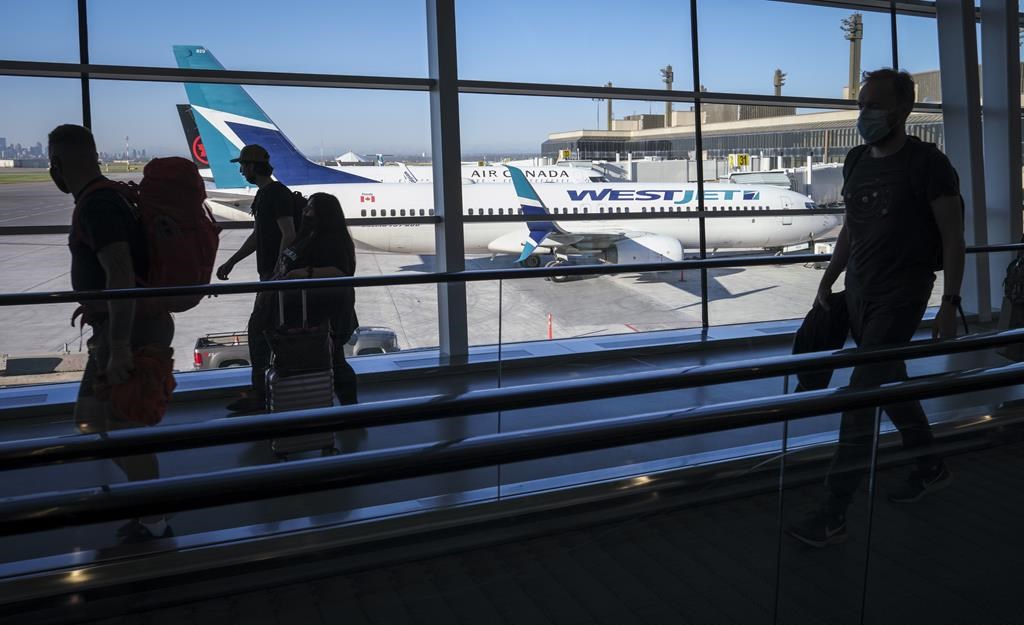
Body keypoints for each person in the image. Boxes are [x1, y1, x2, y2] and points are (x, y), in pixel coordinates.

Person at [788, 69, 965, 548]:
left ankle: (834, 509)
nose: (864, 114)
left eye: (874, 105)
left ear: (903, 109)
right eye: (861, 105)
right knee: (890, 379)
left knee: (861, 394)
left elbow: (953, 237)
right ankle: (929, 465)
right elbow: (853, 226)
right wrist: (829, 277)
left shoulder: (929, 165)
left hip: (902, 296)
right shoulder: (857, 160)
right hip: (859, 293)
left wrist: (949, 303)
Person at [51, 123, 174, 543]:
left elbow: (120, 271)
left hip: (127, 332)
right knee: (91, 419)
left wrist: (119, 345)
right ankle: (150, 501)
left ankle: (154, 521)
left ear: (57, 164)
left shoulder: (98, 205)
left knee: (122, 426)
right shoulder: (110, 196)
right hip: (119, 328)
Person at [216, 144, 297, 413]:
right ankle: (271, 391)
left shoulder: (277, 194)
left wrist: (277, 272)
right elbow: (258, 236)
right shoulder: (265, 195)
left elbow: (289, 234)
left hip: (275, 279)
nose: (241, 171)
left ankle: (261, 394)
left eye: (243, 166)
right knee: (267, 333)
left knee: (258, 332)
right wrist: (232, 261)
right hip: (270, 277)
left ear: (252, 166)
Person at [265, 192, 359, 404]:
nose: (304, 212)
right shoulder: (307, 235)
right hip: (304, 310)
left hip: (326, 312)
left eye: (310, 209)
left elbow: (342, 272)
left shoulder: (333, 241)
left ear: (324, 214)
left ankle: (350, 407)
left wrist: (304, 273)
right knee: (329, 358)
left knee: (334, 358)